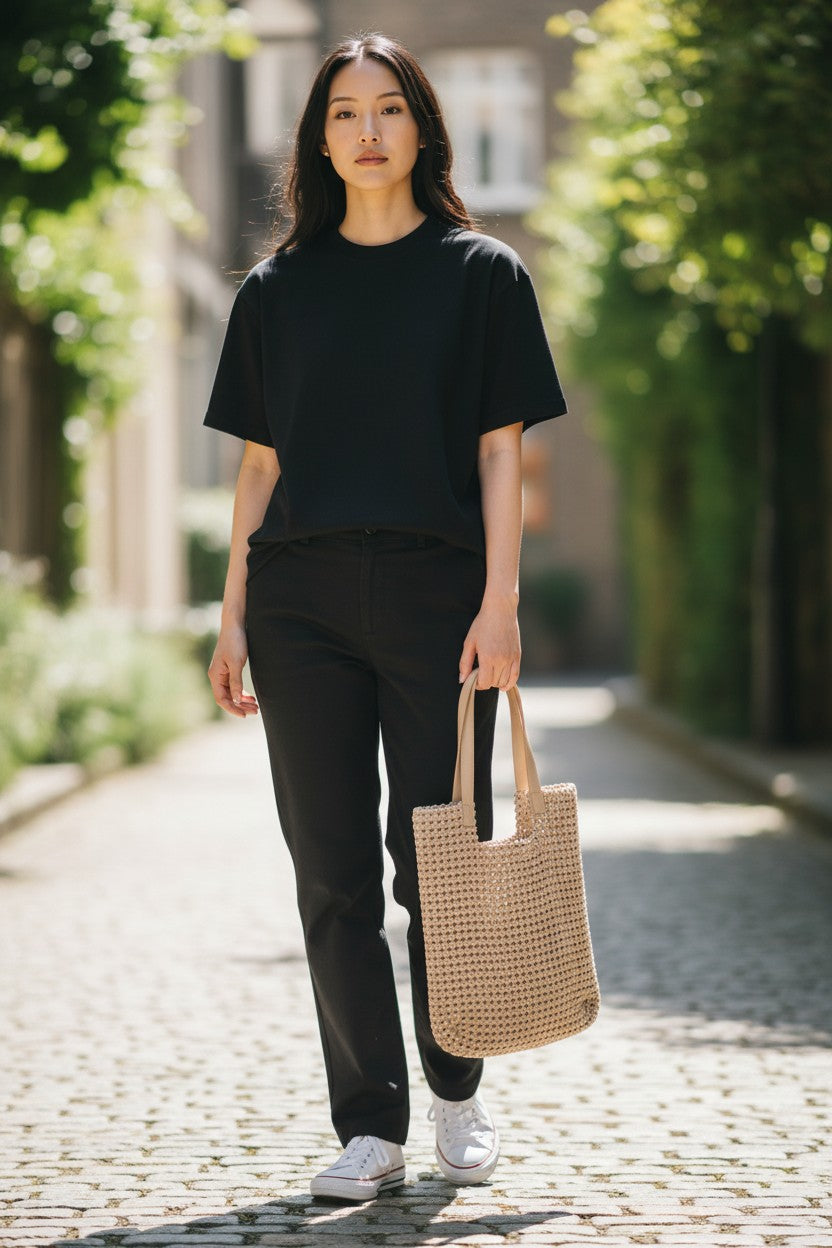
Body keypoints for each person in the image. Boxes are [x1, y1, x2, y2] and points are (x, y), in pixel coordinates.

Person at [203, 31, 567, 1203]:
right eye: (346, 112)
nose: (368, 130)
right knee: (331, 873)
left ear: (420, 129)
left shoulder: (480, 274)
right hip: (299, 600)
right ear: (319, 137)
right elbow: (258, 469)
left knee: (439, 862)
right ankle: (370, 1124)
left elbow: (500, 454)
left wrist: (500, 602)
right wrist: (231, 616)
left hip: (435, 597)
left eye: (389, 109)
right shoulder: (274, 291)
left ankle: (456, 1093)